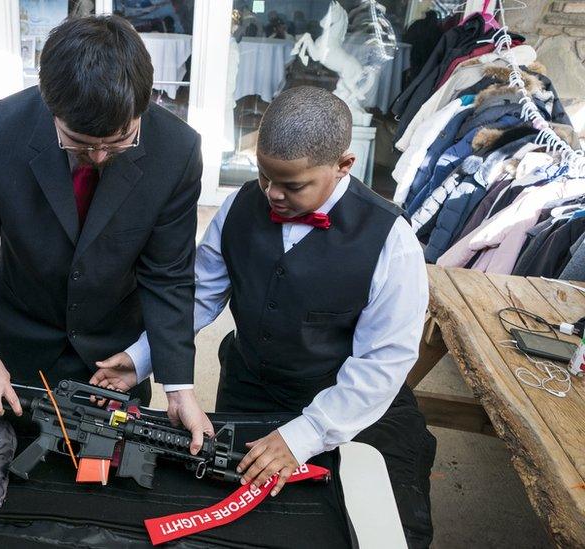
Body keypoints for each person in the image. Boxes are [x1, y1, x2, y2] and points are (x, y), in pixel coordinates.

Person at [95, 86, 436, 548]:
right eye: (263, 177)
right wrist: (141, 357)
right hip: (250, 386)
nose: (272, 195)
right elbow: (198, 297)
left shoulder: (392, 241)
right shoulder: (238, 207)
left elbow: (383, 361)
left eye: (292, 185)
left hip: (346, 402)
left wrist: (305, 435)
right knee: (220, 520)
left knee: (372, 527)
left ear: (344, 166)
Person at [0, 15, 213, 453]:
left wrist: (178, 386)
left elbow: (169, 275)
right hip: (14, 349)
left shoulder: (176, 151)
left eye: (120, 140)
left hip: (112, 358)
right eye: (79, 142)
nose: (100, 156)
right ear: (51, 106)